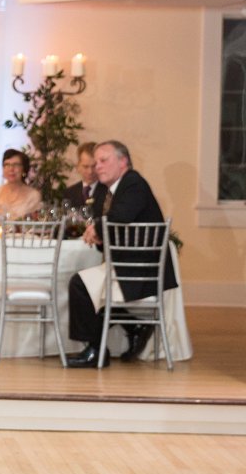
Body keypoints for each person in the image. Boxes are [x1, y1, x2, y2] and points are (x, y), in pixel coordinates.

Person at [65, 140, 178, 367]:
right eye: (96, 162)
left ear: (123, 161)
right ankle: (132, 328)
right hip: (129, 266)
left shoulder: (133, 183)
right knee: (88, 287)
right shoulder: (115, 188)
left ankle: (96, 350)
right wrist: (99, 234)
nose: (98, 166)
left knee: (80, 285)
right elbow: (117, 225)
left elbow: (121, 216)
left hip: (140, 271)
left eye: (103, 160)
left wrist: (96, 229)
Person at [0, 148, 43, 221]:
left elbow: (33, 223)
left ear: (24, 169)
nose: (11, 169)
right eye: (7, 164)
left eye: (16, 165)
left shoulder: (33, 196)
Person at [62, 142, 98, 209]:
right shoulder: (69, 193)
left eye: (94, 166)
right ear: (78, 166)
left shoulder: (109, 192)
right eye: (85, 167)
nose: (90, 172)